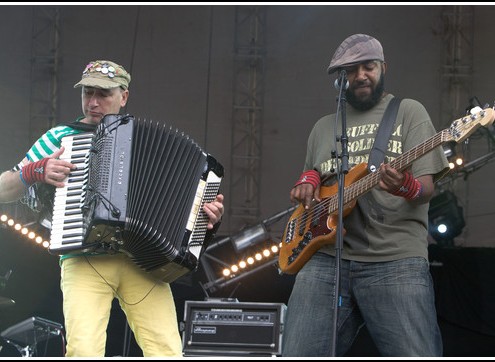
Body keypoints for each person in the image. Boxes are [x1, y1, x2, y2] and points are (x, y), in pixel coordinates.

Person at [0, 59, 225, 357]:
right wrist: (34, 172)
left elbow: (177, 212)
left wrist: (205, 219)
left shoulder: (143, 142)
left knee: (167, 350)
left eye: (103, 94)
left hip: (142, 260)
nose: (93, 102)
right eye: (87, 93)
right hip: (83, 258)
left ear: (124, 96)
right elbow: (4, 189)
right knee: (84, 351)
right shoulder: (60, 137)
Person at [281, 34, 449, 357]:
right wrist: (309, 179)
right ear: (340, 80)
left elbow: (427, 187)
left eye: (368, 67)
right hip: (327, 259)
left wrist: (406, 186)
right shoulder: (323, 127)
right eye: (351, 70)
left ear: (383, 68)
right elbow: (313, 183)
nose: (360, 75)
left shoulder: (408, 112)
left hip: (395, 260)